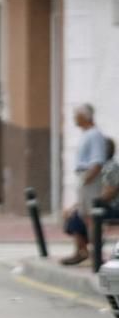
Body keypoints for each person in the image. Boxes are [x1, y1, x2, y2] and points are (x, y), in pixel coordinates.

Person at [61, 104, 108, 266]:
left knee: (91, 218)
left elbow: (97, 162)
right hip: (84, 178)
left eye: (76, 115)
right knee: (82, 216)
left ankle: (96, 254)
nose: (74, 118)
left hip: (89, 180)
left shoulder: (94, 135)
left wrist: (85, 181)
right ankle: (82, 251)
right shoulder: (87, 134)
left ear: (85, 117)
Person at [64, 137, 119, 255]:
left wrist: (92, 204)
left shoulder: (111, 167)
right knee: (77, 215)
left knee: (83, 217)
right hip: (98, 205)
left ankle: (92, 254)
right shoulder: (99, 167)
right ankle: (82, 251)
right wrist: (77, 205)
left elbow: (110, 192)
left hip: (111, 207)